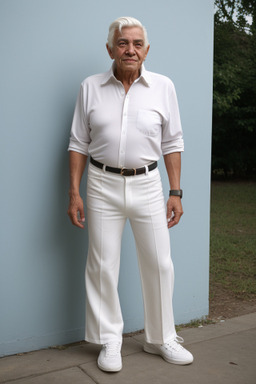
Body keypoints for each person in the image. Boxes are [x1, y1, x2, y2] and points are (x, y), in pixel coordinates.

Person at [67, 16, 193, 372]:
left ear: (146, 50)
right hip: (101, 184)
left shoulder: (163, 87)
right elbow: (78, 142)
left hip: (149, 184)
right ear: (110, 49)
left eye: (137, 43)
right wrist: (74, 193)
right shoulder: (90, 87)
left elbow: (173, 141)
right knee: (103, 264)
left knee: (159, 263)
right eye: (123, 43)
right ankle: (110, 340)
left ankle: (161, 337)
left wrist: (176, 191)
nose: (130, 49)